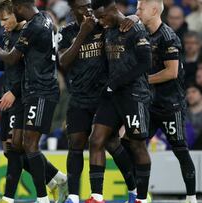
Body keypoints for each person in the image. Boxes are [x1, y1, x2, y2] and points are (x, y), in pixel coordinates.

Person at [0, 1, 67, 202]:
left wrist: (13, 90)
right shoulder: (38, 22)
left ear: (16, 12)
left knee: (22, 147)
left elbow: (17, 62)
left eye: (5, 19)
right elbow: (14, 64)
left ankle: (32, 197)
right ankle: (55, 178)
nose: (2, 24)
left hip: (32, 92)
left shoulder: (31, 29)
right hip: (26, 91)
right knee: (17, 147)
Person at [58, 0, 139, 202]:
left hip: (105, 96)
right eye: (82, 7)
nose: (87, 10)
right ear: (72, 10)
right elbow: (63, 63)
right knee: (75, 144)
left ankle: (134, 189)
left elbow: (126, 22)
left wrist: (134, 17)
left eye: (89, 5)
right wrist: (82, 34)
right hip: (78, 96)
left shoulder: (103, 25)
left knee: (109, 143)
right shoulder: (66, 32)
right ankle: (74, 196)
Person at [87, 0, 152, 202]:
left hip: (134, 94)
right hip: (112, 95)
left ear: (113, 10)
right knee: (97, 139)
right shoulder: (108, 28)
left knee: (137, 145)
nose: (101, 21)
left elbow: (145, 63)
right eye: (99, 18)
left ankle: (141, 197)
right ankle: (97, 197)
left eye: (103, 16)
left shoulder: (135, 28)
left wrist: (116, 83)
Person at [135, 1, 197, 202]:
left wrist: (143, 80)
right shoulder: (143, 34)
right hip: (150, 103)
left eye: (140, 8)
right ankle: (141, 195)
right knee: (134, 144)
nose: (137, 12)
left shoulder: (169, 36)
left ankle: (190, 197)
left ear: (154, 10)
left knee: (180, 149)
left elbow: (171, 72)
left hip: (171, 105)